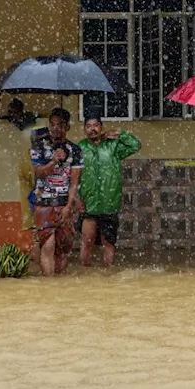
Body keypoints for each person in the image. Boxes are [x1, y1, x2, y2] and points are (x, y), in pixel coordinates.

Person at [77, 116, 141, 267]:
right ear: (84, 130)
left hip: (110, 203)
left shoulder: (113, 146)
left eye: (96, 125)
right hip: (89, 203)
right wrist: (77, 199)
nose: (92, 129)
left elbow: (136, 145)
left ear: (101, 127)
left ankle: (108, 274)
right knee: (87, 241)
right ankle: (84, 275)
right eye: (88, 126)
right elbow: (73, 175)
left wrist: (120, 134)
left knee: (109, 242)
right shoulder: (80, 148)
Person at [30, 107, 83, 276]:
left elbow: (74, 182)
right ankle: (48, 286)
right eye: (52, 124)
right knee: (47, 245)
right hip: (43, 204)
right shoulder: (39, 145)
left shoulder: (75, 150)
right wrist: (53, 160)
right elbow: (38, 172)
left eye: (59, 125)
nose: (54, 128)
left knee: (63, 249)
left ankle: (58, 287)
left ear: (67, 127)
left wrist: (69, 205)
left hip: (64, 205)